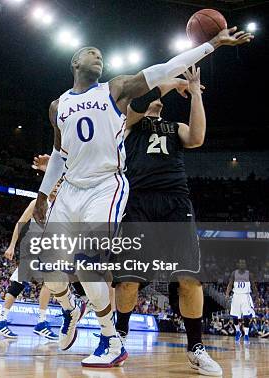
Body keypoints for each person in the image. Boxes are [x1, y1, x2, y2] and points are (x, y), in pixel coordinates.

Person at [31, 28, 252, 368]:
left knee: (103, 267)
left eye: (101, 55)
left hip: (125, 190)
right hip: (92, 192)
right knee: (52, 269)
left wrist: (210, 48)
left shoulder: (118, 91)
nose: (98, 57)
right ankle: (73, 311)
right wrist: (44, 193)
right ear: (75, 62)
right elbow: (60, 152)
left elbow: (167, 74)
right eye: (92, 52)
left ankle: (124, 340)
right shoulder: (72, 108)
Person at [112, 66, 223, 376]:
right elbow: (142, 97)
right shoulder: (129, 124)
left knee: (189, 278)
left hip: (176, 201)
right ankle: (120, 337)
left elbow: (198, 137)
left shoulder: (174, 128)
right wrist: (174, 82)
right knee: (129, 278)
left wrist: (195, 90)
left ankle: (196, 347)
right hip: (139, 202)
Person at [0, 181, 63, 341]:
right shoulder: (37, 203)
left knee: (36, 283)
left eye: (59, 185)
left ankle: (34, 322)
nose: (57, 187)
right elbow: (20, 223)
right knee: (22, 282)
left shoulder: (60, 208)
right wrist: (11, 246)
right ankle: (4, 320)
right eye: (55, 184)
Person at [225, 259, 258, 344]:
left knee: (246, 316)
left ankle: (246, 335)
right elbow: (230, 284)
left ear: (245, 264)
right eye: (241, 263)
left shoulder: (249, 274)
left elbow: (253, 286)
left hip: (245, 296)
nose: (242, 264)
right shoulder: (234, 273)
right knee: (235, 317)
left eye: (244, 263)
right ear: (238, 264)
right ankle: (238, 331)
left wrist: (257, 296)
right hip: (236, 296)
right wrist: (227, 294)